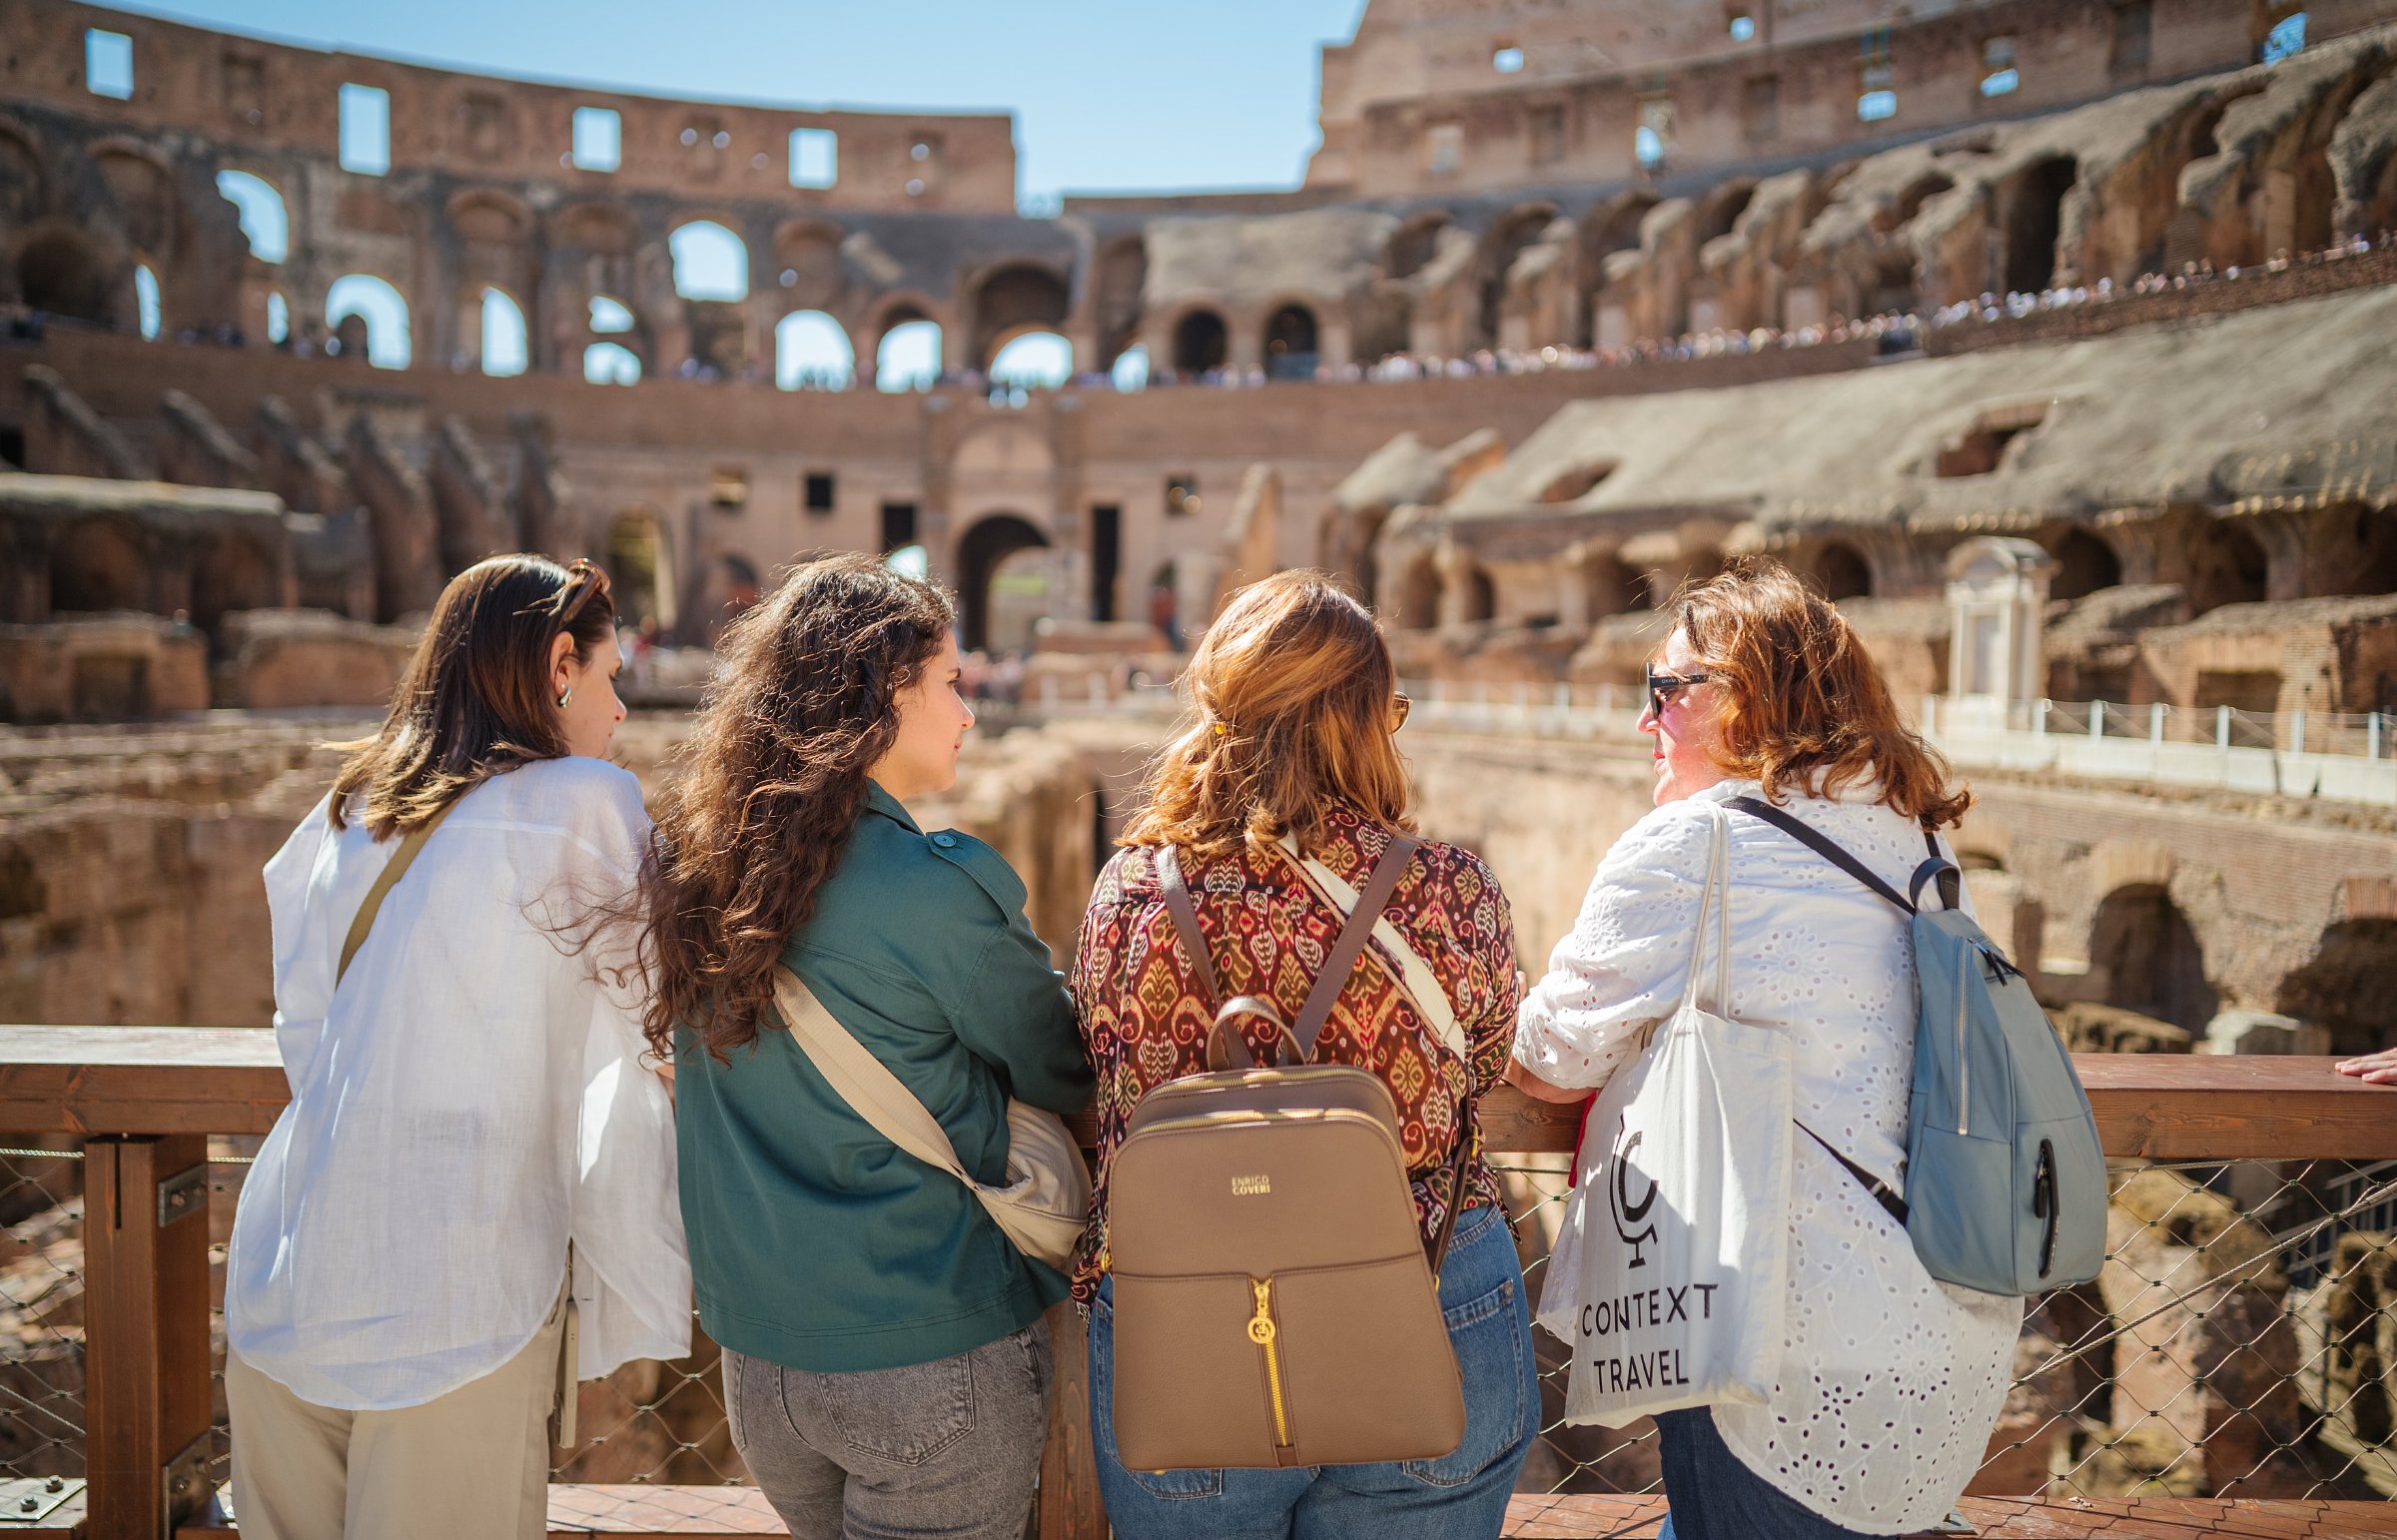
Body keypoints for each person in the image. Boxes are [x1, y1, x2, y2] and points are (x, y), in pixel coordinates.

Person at [1507, 558, 2022, 1540]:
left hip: (1775, 1357)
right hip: (1950, 1333)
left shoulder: (1693, 846)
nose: (1643, 719)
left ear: (1748, 696)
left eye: (1666, 689)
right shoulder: (1919, 843)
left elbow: (1545, 1058)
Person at [224, 555, 689, 1540]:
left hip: (287, 1275)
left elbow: (308, 1036)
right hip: (454, 1300)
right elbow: (674, 1011)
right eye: (610, 680)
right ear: (560, 664)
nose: (618, 715)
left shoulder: (347, 812)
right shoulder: (582, 804)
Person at [1072, 570, 1536, 1538]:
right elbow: (1486, 1065)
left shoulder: (1130, 894)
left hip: (1194, 1314)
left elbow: (1106, 1069)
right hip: (1425, 1284)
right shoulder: (1449, 890)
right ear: (1365, 722)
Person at [644, 555, 1093, 1539]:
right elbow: (1063, 1064)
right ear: (889, 692)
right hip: (924, 1350)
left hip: (762, 1368)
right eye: (951, 683)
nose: (967, 712)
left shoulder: (702, 871)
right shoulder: (932, 885)